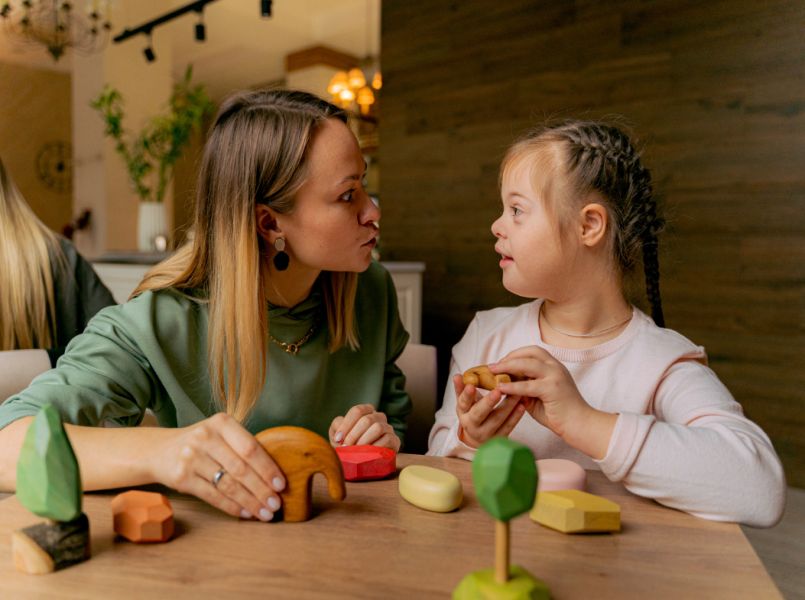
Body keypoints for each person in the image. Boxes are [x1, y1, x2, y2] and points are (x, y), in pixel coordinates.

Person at [0, 90, 411, 523]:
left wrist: (380, 440)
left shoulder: (372, 291)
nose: (373, 211)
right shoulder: (161, 320)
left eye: (364, 185)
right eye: (348, 195)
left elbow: (398, 428)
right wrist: (165, 451)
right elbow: (9, 443)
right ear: (269, 222)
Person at [427, 120, 785, 527]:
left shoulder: (662, 362)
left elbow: (761, 489)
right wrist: (471, 440)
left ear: (589, 226)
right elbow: (435, 466)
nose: (497, 225)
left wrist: (583, 421)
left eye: (517, 210)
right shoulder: (487, 336)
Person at [0, 156, 115, 398]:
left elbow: (119, 352)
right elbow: (115, 354)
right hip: (50, 417)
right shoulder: (58, 255)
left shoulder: (60, 257)